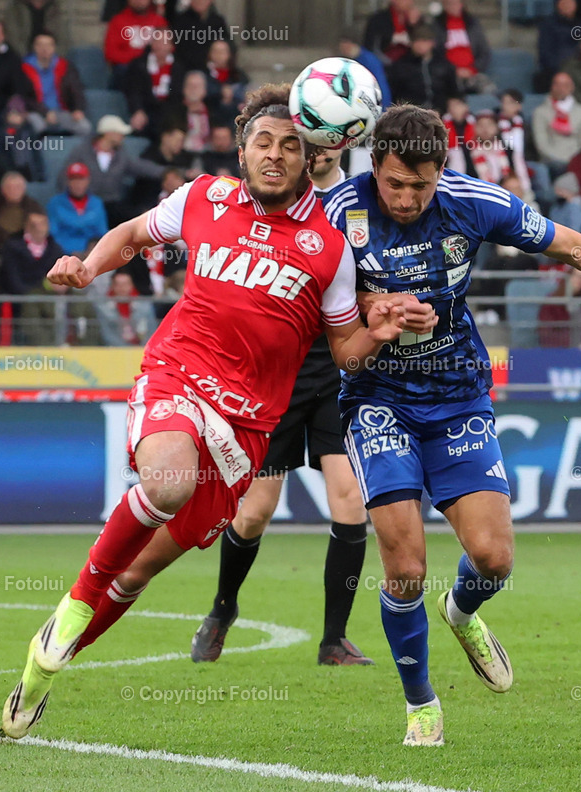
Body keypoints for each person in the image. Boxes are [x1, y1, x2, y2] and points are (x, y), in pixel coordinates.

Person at [0, 83, 415, 741]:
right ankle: (74, 606)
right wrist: (89, 268)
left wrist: (379, 333)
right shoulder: (202, 196)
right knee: (167, 482)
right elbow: (134, 233)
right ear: (241, 149)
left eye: (289, 146)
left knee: (139, 570)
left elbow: (343, 351)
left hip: (245, 430)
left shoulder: (330, 247)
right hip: (178, 375)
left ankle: (41, 669)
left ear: (309, 158)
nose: (274, 155)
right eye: (262, 143)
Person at [322, 103, 581, 745]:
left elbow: (574, 248)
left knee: (494, 559)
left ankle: (461, 610)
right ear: (374, 165)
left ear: (441, 171)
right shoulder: (339, 212)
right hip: (377, 399)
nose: (407, 198)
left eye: (421, 185)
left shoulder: (474, 202)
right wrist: (375, 307)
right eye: (395, 183)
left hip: (457, 394)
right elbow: (314, 301)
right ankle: (422, 705)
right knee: (406, 565)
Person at [190, 146, 375, 666]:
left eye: (329, 136)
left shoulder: (358, 201)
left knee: (350, 502)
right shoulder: (273, 195)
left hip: (337, 373)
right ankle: (223, 609)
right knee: (254, 512)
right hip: (276, 377)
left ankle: (334, 640)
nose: (319, 147)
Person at [21, 33, 92, 137]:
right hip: (36, 112)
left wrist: (78, 109)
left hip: (61, 112)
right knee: (37, 126)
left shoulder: (65, 66)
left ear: (54, 48)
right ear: (35, 47)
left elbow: (76, 90)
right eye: (40, 45)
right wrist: (45, 112)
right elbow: (25, 97)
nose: (45, 49)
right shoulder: (24, 68)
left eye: (48, 45)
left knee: (84, 127)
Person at [386, 24, 458, 114]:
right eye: (416, 41)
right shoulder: (400, 66)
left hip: (441, 113)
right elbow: (394, 95)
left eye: (424, 41)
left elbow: (454, 93)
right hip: (411, 115)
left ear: (432, 43)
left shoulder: (444, 65)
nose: (420, 45)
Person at [532, 72, 581, 177]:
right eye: (557, 84)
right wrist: (560, 159)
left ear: (572, 88)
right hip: (551, 161)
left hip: (577, 159)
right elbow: (541, 143)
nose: (561, 88)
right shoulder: (540, 112)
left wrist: (576, 160)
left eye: (565, 85)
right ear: (552, 87)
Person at [47, 162, 110, 256]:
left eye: (81, 179)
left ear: (87, 181)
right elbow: (53, 234)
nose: (77, 184)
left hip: (92, 254)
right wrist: (69, 252)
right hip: (64, 255)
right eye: (73, 179)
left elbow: (102, 232)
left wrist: (92, 251)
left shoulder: (96, 203)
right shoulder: (55, 203)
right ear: (68, 181)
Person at [432, 0, 493, 95]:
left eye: (456, 3)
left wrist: (472, 69)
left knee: (488, 91)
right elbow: (436, 53)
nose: (453, 7)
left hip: (472, 73)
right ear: (444, 6)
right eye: (449, 4)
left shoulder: (473, 23)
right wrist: (453, 70)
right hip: (448, 75)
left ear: (462, 4)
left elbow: (484, 52)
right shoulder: (437, 25)